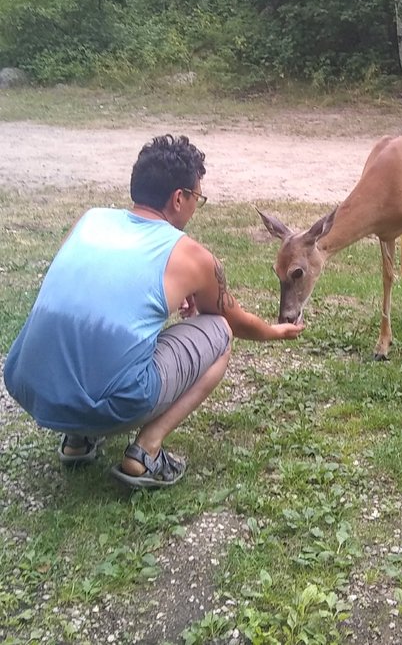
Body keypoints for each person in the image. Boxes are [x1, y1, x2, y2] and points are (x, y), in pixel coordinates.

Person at [3, 134, 304, 489]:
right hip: (112, 405)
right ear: (179, 198)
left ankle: (78, 438)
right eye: (197, 198)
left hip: (30, 385)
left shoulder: (90, 220)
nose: (195, 206)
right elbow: (234, 322)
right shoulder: (189, 254)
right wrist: (275, 331)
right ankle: (146, 452)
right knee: (219, 333)